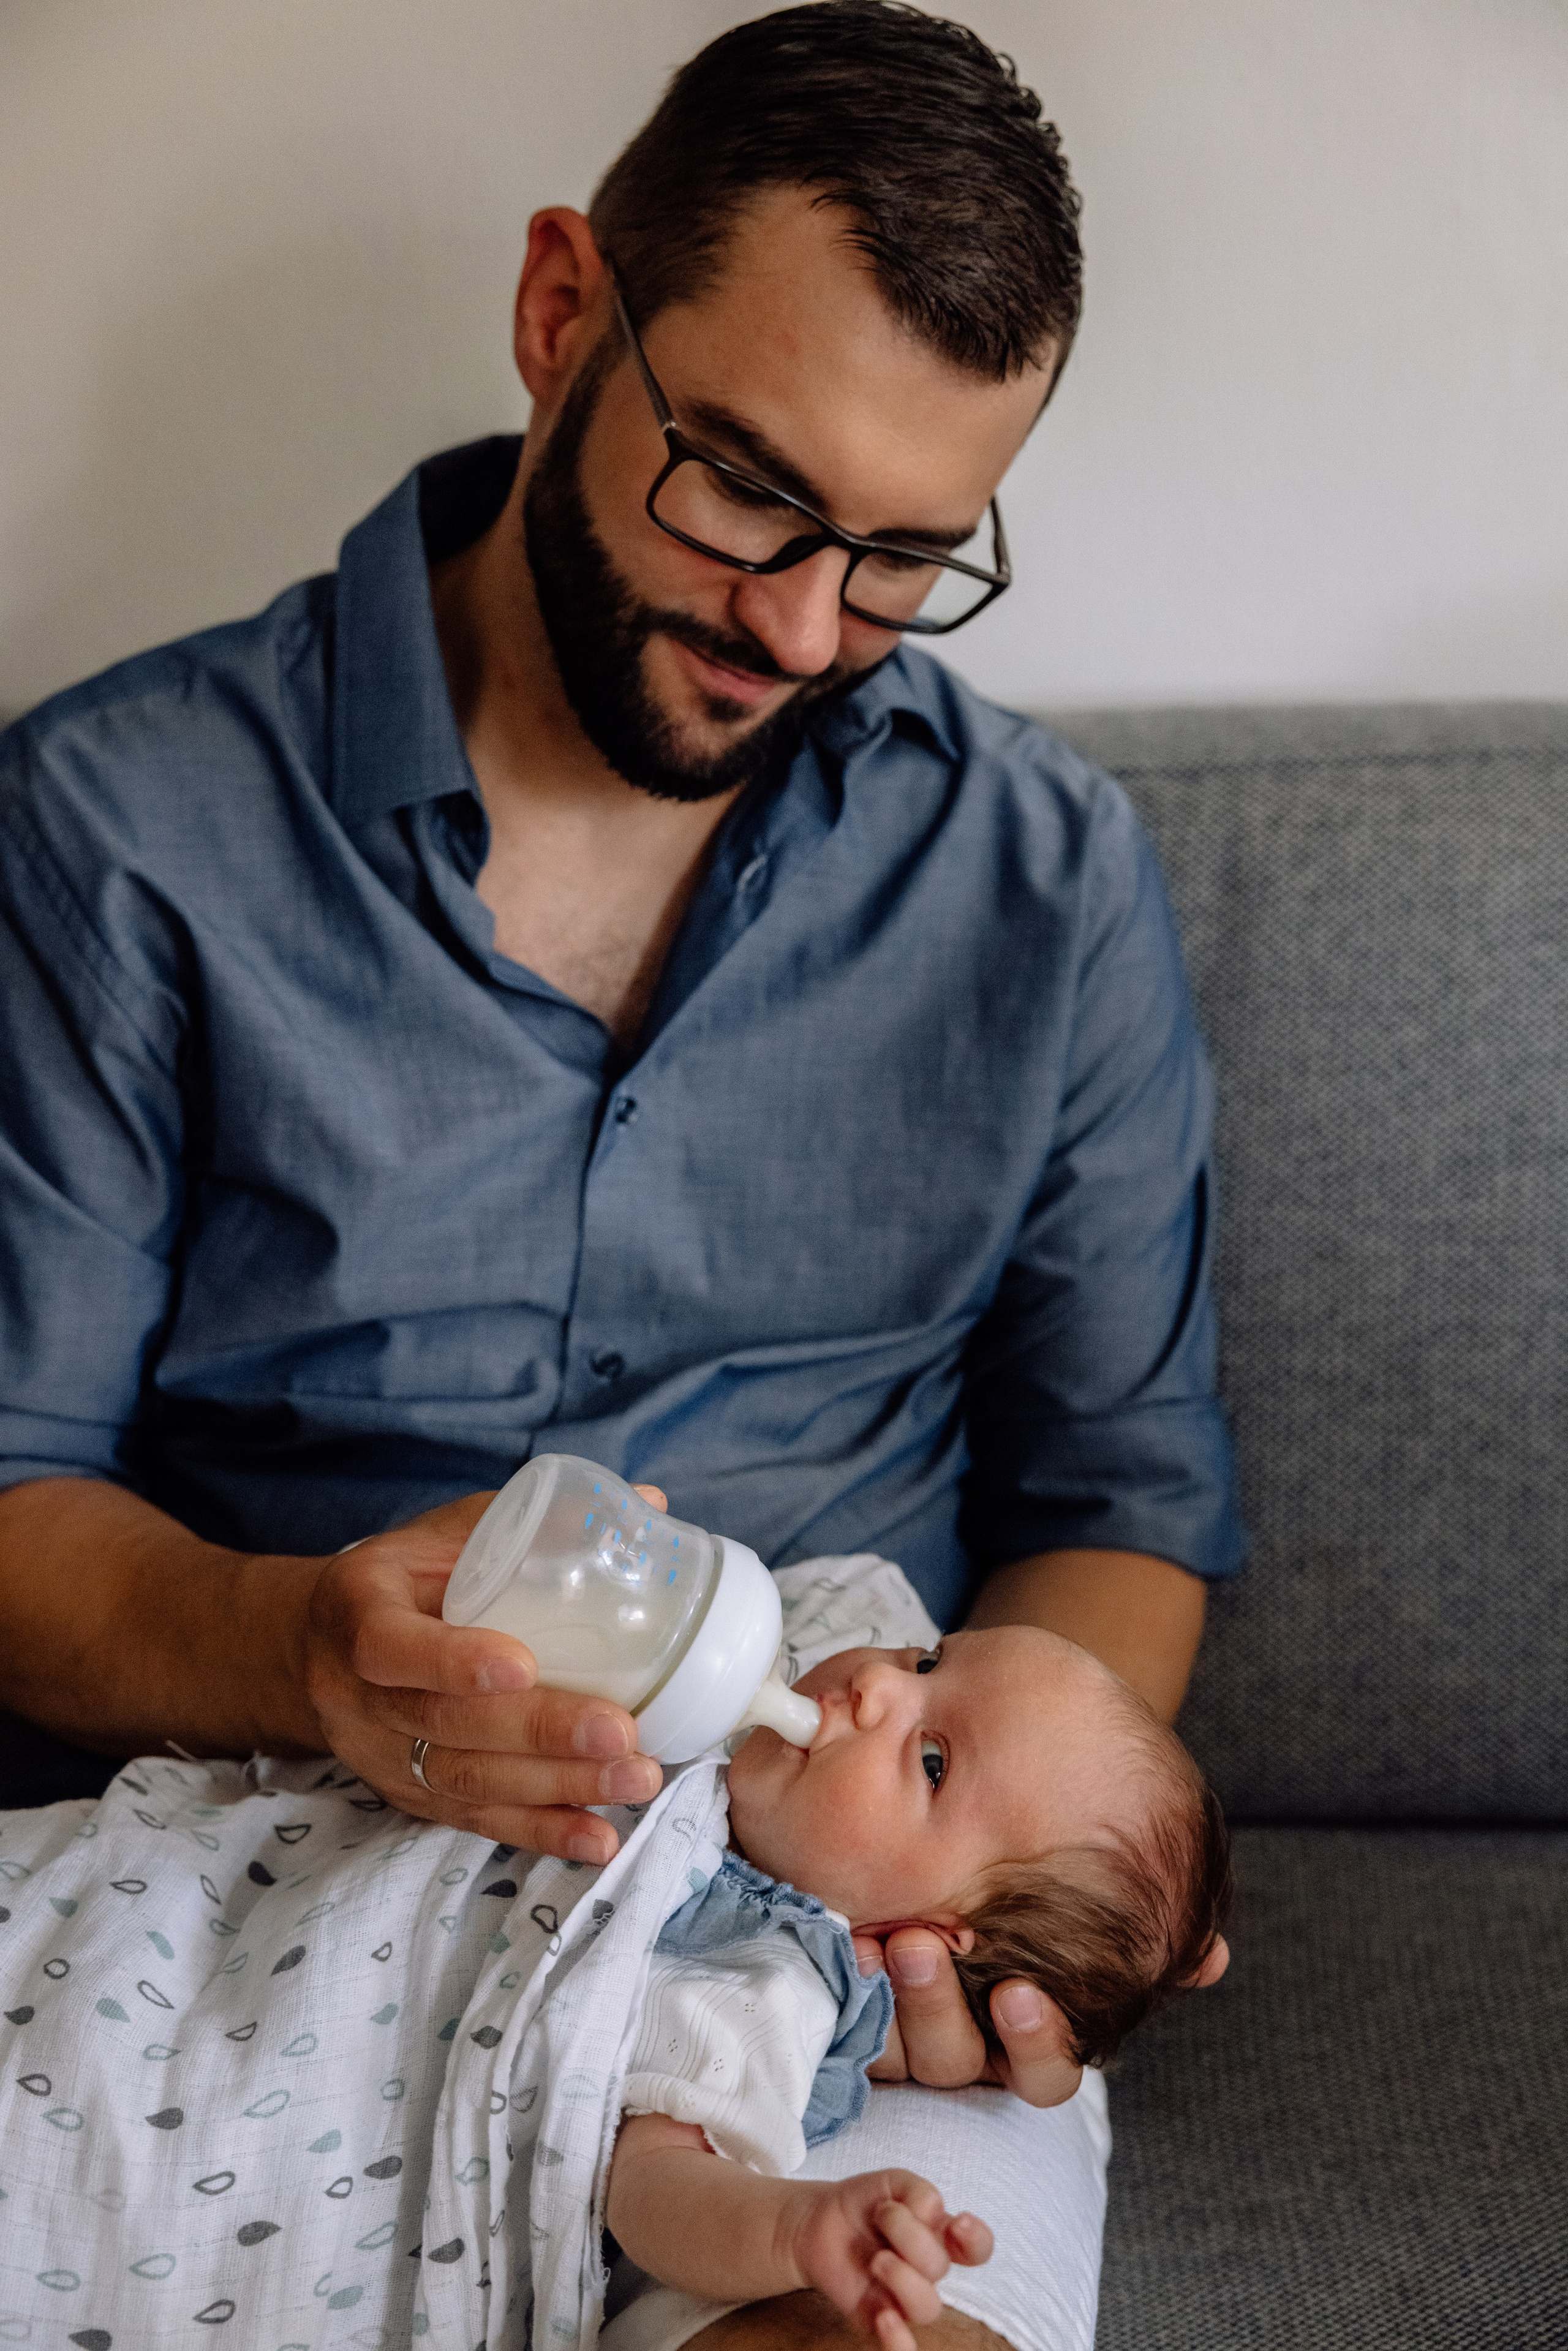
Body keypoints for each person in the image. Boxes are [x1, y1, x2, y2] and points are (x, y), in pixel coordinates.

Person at [0, 6, 1245, 2343]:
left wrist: (986, 1886)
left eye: (904, 556)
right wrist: (295, 1645)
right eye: (748, 491)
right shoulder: (120, 830)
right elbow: (9, 1485)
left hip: (815, 1939)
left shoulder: (1043, 880)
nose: (803, 626)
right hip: (294, 1891)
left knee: (867, 2317)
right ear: (564, 309)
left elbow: (1123, 1496)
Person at [0, 1557, 1231, 2351]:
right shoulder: (720, 1728)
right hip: (168, 1895)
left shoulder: (762, 1969)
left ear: (920, 1937)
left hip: (191, 2078)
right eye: (923, 1661)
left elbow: (650, 2189)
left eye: (932, 1760)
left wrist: (796, 2227)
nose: (873, 1688)